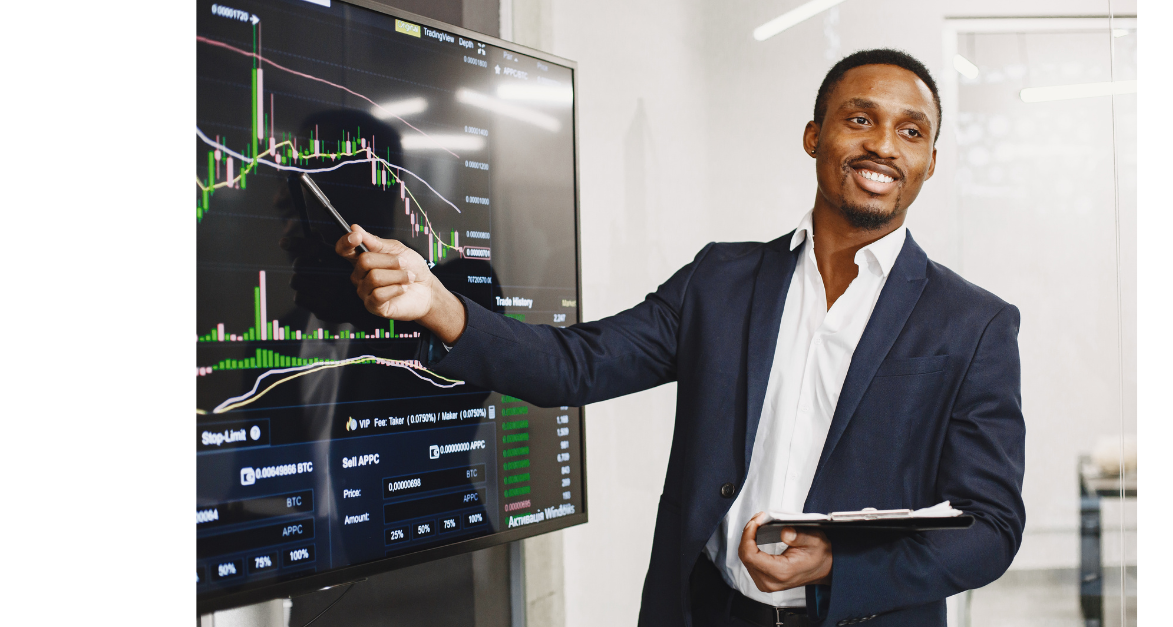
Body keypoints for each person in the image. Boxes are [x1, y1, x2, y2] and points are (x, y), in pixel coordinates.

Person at [335, 49, 1025, 627]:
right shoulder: (720, 280)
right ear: (815, 135)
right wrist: (437, 303)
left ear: (931, 161)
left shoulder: (973, 322)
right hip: (708, 611)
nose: (882, 144)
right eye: (860, 119)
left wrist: (840, 561)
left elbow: (990, 526)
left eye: (911, 131)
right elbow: (575, 366)